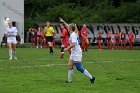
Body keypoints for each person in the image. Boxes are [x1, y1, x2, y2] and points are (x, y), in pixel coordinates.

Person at [60, 17, 95, 83]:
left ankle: (92, 77)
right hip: (74, 53)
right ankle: (69, 81)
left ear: (70, 28)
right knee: (70, 66)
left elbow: (74, 44)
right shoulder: (74, 33)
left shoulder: (73, 35)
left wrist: (67, 48)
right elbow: (68, 26)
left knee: (79, 67)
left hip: (77, 53)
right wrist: (63, 21)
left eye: (68, 27)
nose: (67, 27)